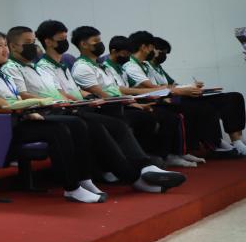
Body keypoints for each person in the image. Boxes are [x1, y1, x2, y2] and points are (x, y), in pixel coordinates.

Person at [18, 22, 184, 193]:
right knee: (105, 125)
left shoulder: (63, 65)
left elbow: (76, 91)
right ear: (48, 42)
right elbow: (58, 94)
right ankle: (135, 175)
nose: (65, 42)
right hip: (63, 111)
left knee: (120, 124)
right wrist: (83, 100)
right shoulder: (44, 67)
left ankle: (145, 167)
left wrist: (87, 97)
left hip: (78, 108)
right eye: (61, 39)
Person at [0, 30, 103, 203]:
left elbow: (15, 99)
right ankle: (72, 188)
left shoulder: (1, 73)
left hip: (17, 120)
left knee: (76, 123)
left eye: (5, 45)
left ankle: (84, 179)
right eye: (0, 46)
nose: (5, 50)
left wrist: (31, 109)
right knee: (57, 130)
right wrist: (21, 106)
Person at [70, 26, 198, 168]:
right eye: (96, 41)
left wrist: (134, 102)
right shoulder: (82, 66)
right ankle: (139, 162)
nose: (100, 44)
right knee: (148, 118)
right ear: (83, 44)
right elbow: (101, 94)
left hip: (119, 104)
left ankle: (149, 156)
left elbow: (118, 90)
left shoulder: (100, 66)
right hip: (106, 108)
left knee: (155, 116)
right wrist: (132, 103)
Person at [122, 31, 246, 157]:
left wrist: (189, 87)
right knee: (200, 107)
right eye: (156, 49)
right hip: (158, 99)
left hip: (169, 95)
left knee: (233, 97)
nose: (160, 54)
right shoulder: (131, 65)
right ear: (144, 47)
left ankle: (235, 141)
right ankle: (211, 144)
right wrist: (183, 89)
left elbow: (171, 85)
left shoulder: (147, 66)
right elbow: (155, 88)